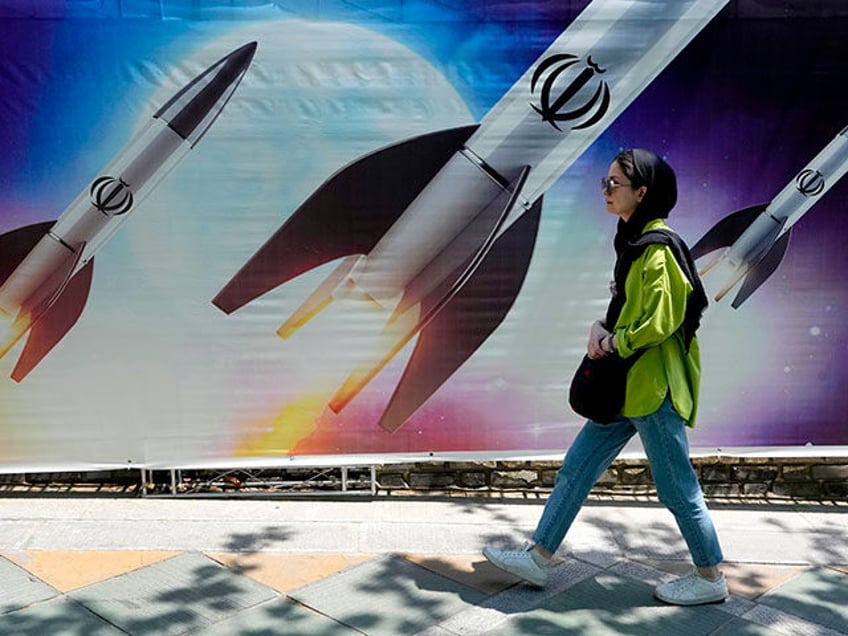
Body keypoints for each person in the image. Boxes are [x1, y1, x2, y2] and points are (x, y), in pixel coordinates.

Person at [483, 148, 728, 606]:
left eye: (614, 184)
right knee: (576, 469)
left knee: (677, 488)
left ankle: (710, 576)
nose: (606, 191)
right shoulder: (633, 241)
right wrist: (603, 326)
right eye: (605, 182)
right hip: (624, 386)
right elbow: (631, 307)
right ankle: (538, 556)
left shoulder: (657, 249)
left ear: (642, 192)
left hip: (651, 389)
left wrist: (614, 343)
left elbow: (661, 321)